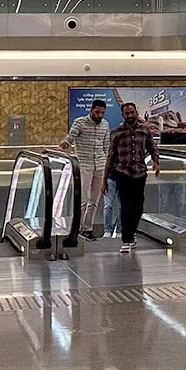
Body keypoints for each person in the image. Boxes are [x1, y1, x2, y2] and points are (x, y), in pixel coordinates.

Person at [104, 102, 164, 254]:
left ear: (136, 112)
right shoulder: (117, 132)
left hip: (140, 173)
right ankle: (126, 239)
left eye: (132, 112)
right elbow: (110, 157)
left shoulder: (144, 130)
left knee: (138, 207)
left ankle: (131, 231)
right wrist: (104, 180)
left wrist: (156, 162)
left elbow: (152, 148)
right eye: (127, 113)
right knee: (126, 206)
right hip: (122, 173)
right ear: (123, 115)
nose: (130, 115)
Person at [62, 99, 110, 240]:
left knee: (94, 201)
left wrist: (108, 164)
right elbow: (70, 138)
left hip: (100, 166)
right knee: (83, 200)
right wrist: (64, 145)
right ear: (91, 110)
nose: (100, 115)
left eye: (102, 113)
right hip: (84, 165)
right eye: (97, 112)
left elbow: (106, 146)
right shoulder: (80, 122)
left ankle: (87, 229)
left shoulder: (105, 124)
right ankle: (76, 229)